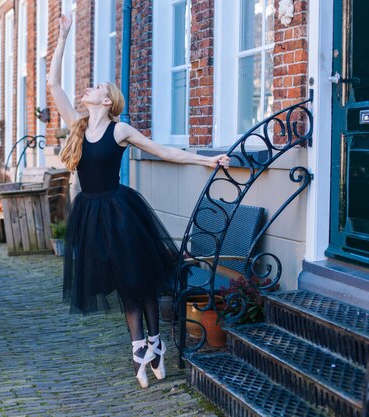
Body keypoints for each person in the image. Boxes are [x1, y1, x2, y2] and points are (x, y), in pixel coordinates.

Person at [47, 14, 230, 389]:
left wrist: (206, 159)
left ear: (107, 98)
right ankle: (140, 350)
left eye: (96, 86)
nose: (88, 88)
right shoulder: (77, 126)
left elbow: (164, 151)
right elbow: (52, 83)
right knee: (122, 283)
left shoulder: (121, 129)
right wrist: (64, 36)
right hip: (90, 214)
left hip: (120, 212)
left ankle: (154, 346)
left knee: (139, 282)